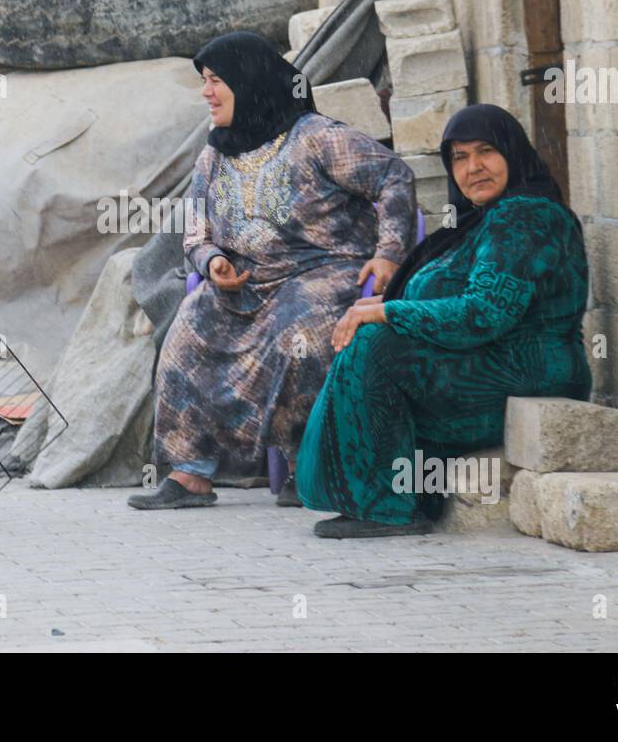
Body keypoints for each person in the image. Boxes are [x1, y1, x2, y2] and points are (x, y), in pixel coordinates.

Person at [128, 30, 416, 511]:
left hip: (325, 271)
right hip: (248, 281)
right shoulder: (214, 155)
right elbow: (195, 231)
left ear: (250, 81)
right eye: (204, 80)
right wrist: (212, 261)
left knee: (295, 333)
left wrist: (388, 251)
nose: (206, 92)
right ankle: (189, 473)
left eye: (216, 79)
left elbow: (393, 176)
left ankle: (309, 464)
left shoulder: (317, 137)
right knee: (188, 329)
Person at [296, 103, 592, 538]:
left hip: (528, 373)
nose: (473, 168)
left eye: (486, 152)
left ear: (513, 153)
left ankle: (388, 506)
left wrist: (386, 310)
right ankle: (398, 494)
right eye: (459, 157)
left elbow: (483, 313)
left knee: (377, 348)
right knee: (371, 342)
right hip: (488, 365)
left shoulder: (527, 216)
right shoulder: (481, 222)